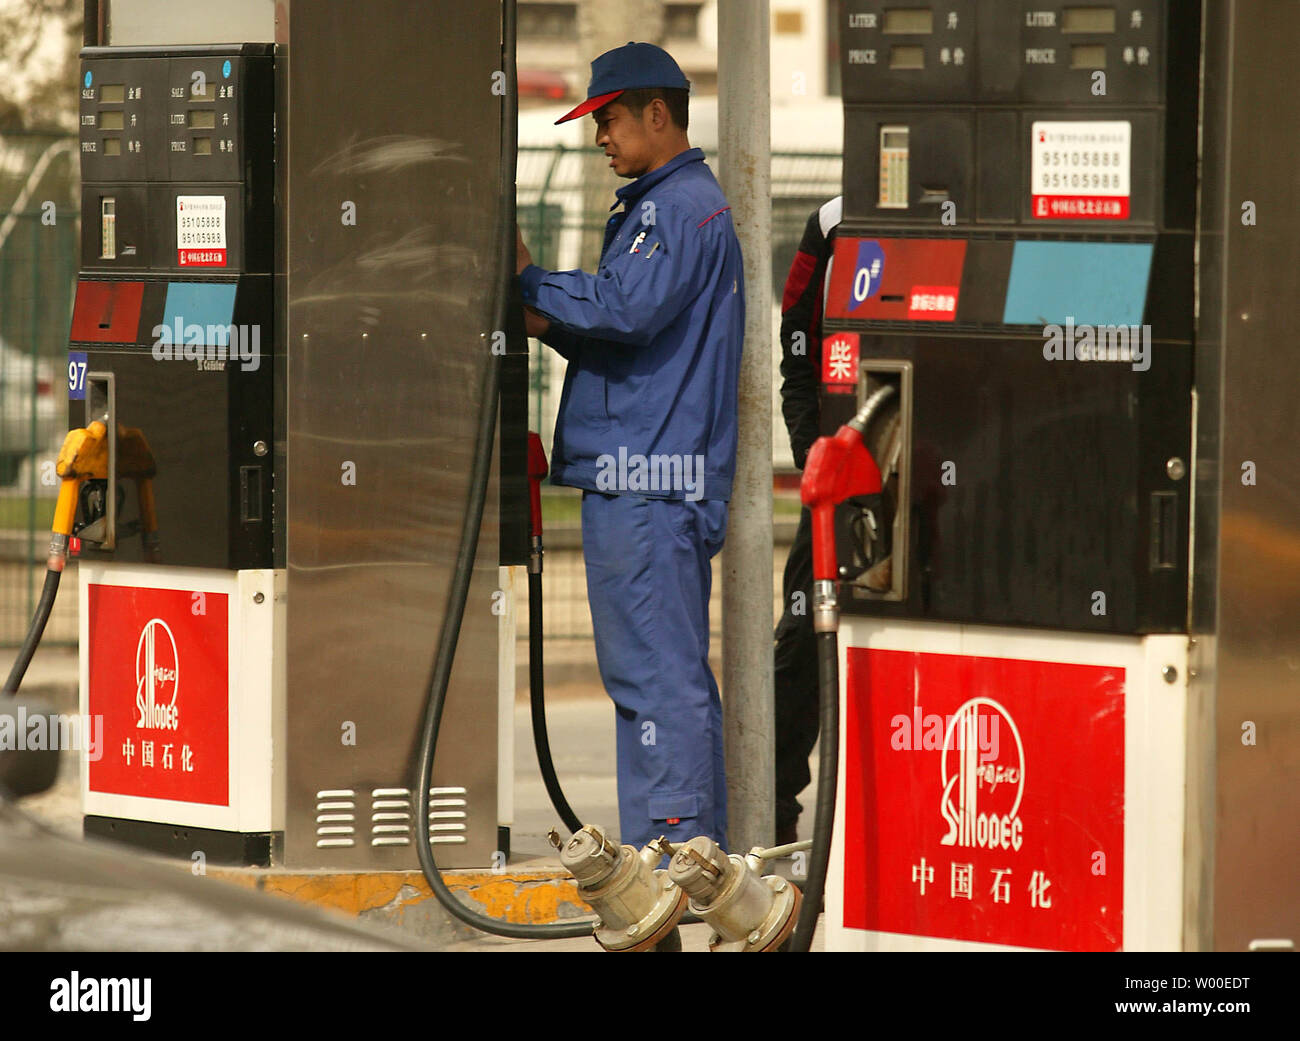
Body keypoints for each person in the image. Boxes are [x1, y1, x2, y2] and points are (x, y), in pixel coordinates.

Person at [515, 42, 745, 850]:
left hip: (648, 482)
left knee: (656, 682)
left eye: (608, 119)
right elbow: (629, 338)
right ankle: (683, 858)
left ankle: (678, 857)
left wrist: (531, 281)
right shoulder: (663, 205)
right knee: (658, 680)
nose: (599, 137)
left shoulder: (676, 208)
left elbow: (624, 310)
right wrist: (546, 319)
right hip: (645, 474)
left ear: (657, 114)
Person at [774, 195, 841, 845]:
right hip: (837, 479)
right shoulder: (830, 223)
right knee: (800, 637)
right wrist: (812, 454)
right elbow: (797, 352)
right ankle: (776, 805)